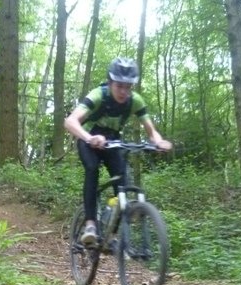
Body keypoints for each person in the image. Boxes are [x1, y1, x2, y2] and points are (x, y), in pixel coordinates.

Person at [64, 57, 172, 246]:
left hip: (112, 140)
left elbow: (150, 129)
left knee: (122, 180)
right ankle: (90, 224)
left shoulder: (135, 101)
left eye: (128, 87)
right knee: (92, 169)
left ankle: (111, 235)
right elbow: (70, 121)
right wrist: (89, 138)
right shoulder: (99, 95)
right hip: (88, 138)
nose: (123, 91)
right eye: (119, 86)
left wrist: (158, 141)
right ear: (110, 82)